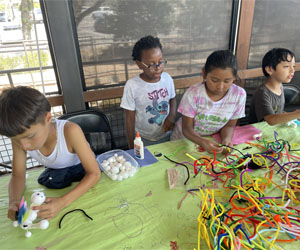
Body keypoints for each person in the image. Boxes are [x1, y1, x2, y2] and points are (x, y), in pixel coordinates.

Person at [0, 86, 101, 221]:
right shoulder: (20, 139)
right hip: (57, 171)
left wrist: (62, 202)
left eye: (30, 136)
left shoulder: (70, 131)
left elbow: (94, 173)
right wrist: (14, 201)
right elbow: (18, 175)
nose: (24, 145)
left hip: (82, 170)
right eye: (16, 140)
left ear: (48, 118)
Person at [171, 50, 246, 154]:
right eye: (214, 80)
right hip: (184, 140)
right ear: (204, 73)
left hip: (212, 141)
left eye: (227, 81)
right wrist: (201, 142)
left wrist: (226, 140)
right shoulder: (194, 93)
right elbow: (187, 128)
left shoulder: (239, 95)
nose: (220, 86)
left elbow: (229, 126)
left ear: (234, 77)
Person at [120, 35, 176, 148]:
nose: (158, 67)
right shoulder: (132, 85)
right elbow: (129, 118)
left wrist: (171, 116)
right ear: (139, 64)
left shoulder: (167, 79)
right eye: (151, 64)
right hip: (144, 139)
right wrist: (132, 146)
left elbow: (172, 98)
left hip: (167, 135)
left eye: (160, 62)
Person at [249, 48, 300, 125]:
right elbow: (270, 120)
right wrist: (297, 114)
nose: (292, 70)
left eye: (293, 66)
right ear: (269, 70)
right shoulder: (262, 93)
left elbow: (278, 112)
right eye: (286, 66)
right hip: (258, 133)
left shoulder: (280, 87)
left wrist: (293, 115)